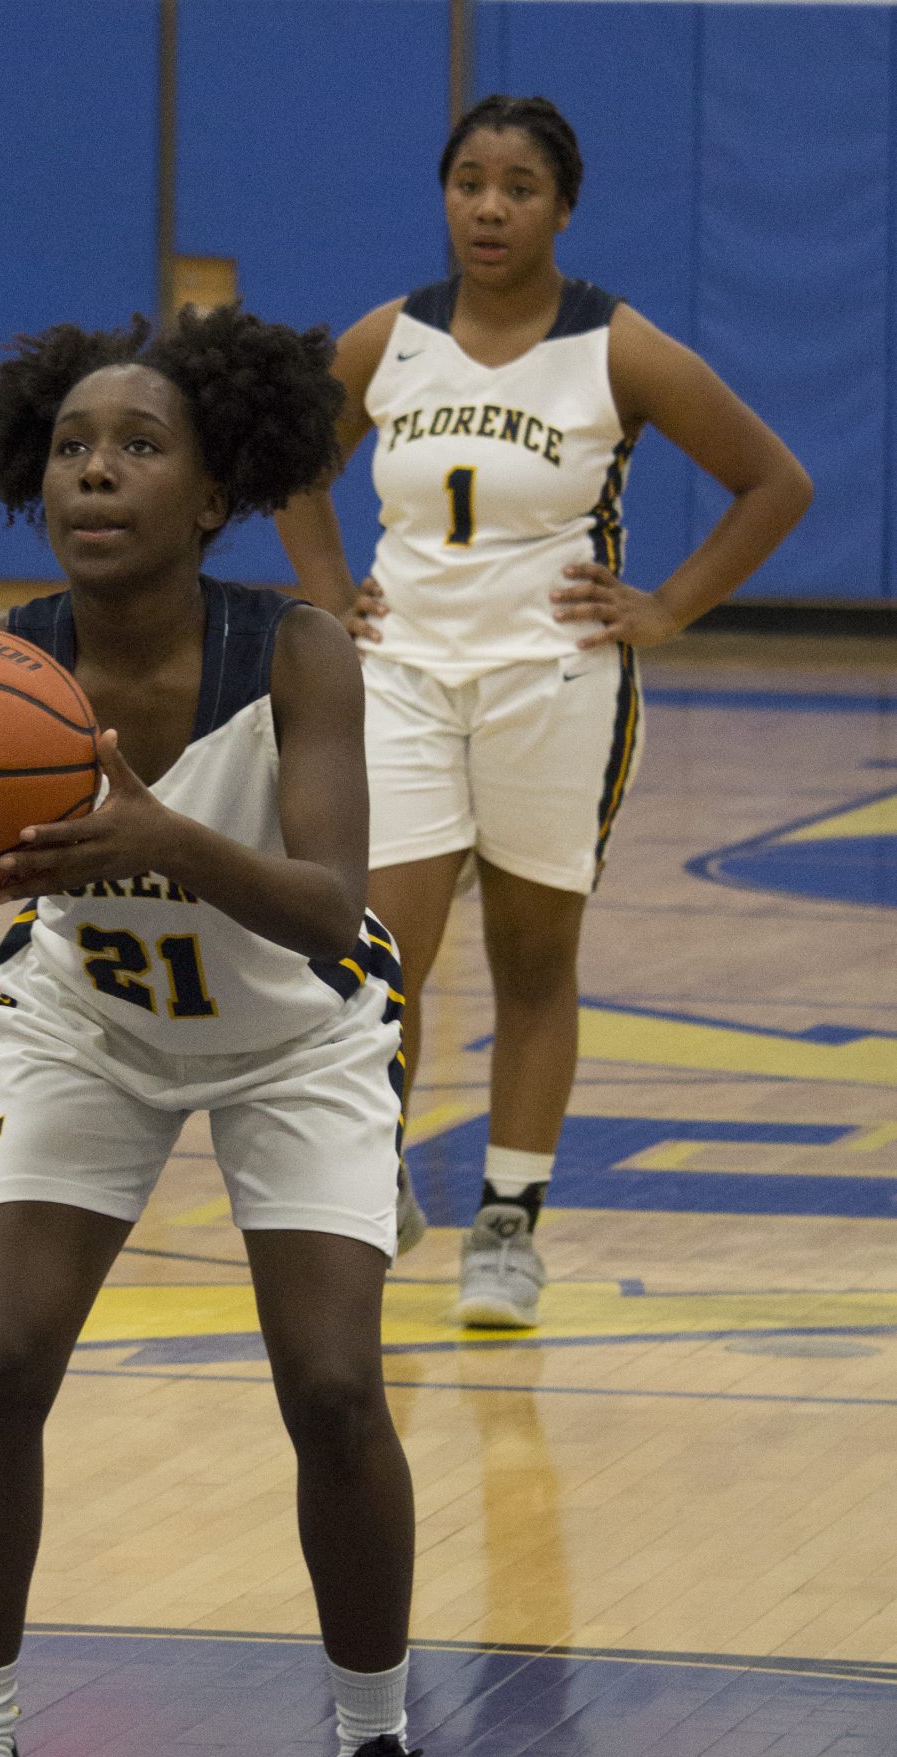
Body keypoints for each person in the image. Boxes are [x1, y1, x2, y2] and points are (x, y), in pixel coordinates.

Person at [0, 305, 454, 1757]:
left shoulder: (298, 654)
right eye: (70, 446)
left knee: (333, 1385)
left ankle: (375, 1751)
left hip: (297, 1030)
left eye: (138, 446)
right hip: (92, 1025)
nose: (96, 472)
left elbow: (336, 910)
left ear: (210, 495)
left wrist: (161, 837)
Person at [275, 94, 812, 1328]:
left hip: (555, 684)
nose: (489, 207)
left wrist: (668, 606)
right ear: (445, 194)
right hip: (402, 676)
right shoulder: (389, 338)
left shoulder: (615, 347)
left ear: (561, 207)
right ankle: (373, 1178)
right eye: (468, 181)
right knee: (373, 958)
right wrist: (324, 600)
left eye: (517, 186)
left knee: (533, 960)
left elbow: (772, 481)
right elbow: (293, 466)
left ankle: (508, 1225)